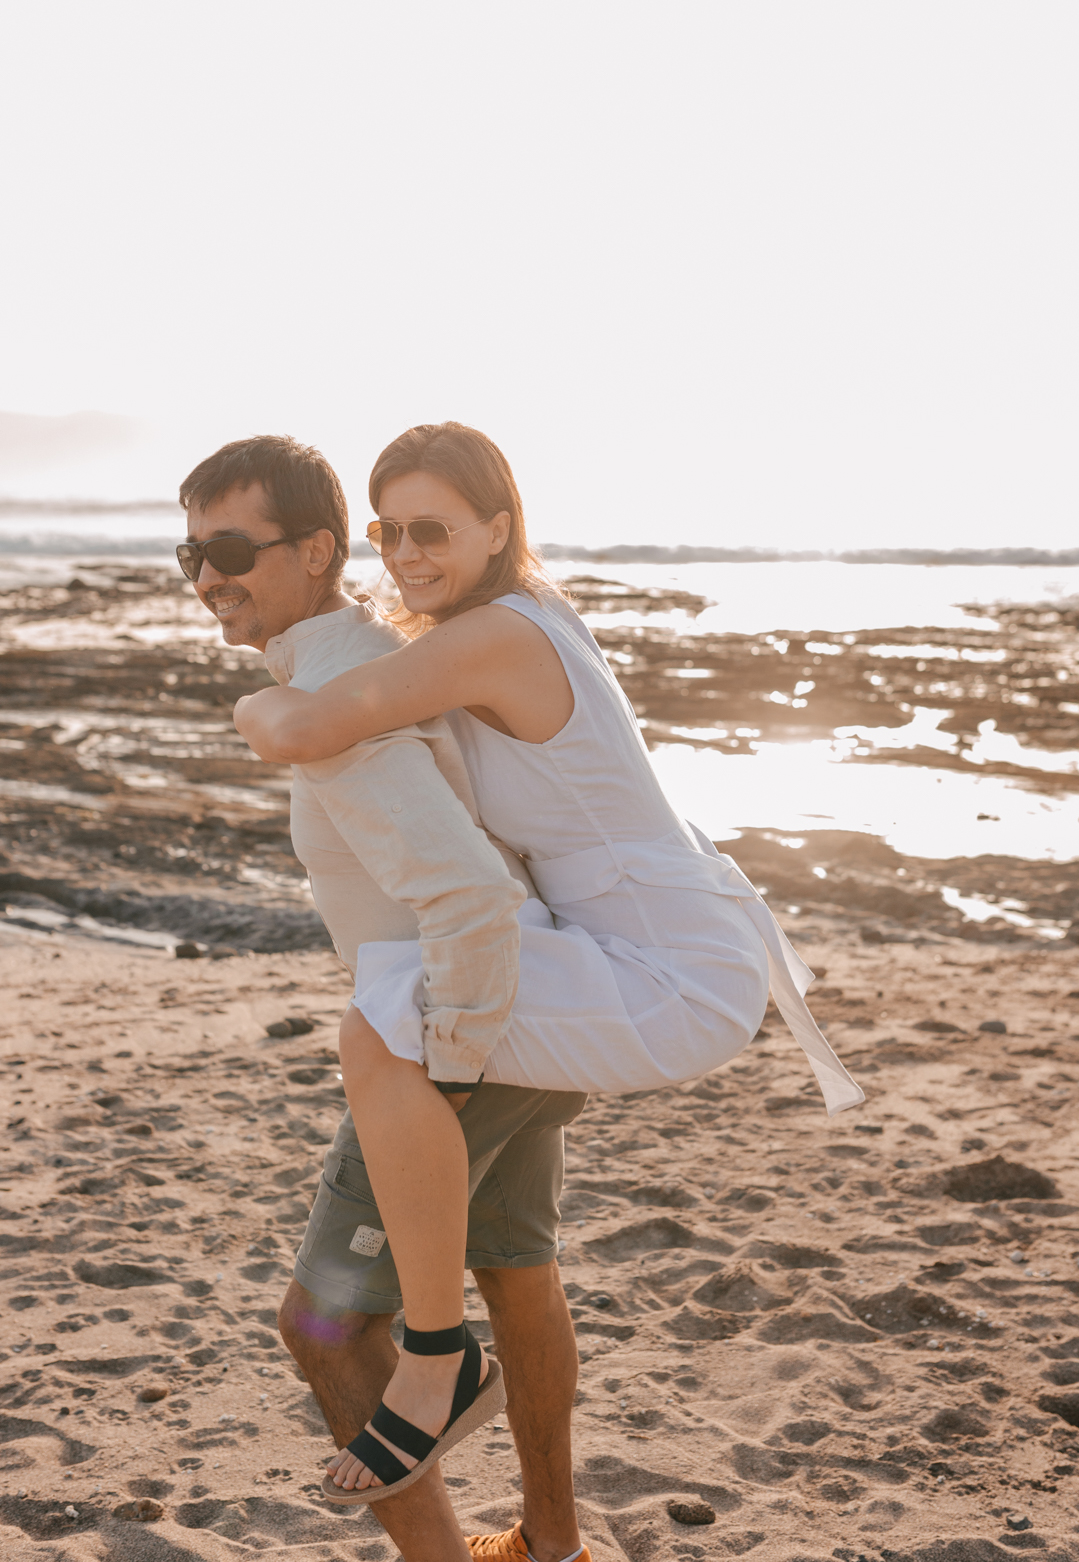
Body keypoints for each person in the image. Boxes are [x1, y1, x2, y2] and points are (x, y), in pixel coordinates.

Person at [234, 421, 863, 1509]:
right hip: (629, 939)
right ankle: (549, 1532)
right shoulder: (507, 615)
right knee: (510, 1246)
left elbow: (313, 725)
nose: (408, 554)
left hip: (662, 970)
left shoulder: (492, 636)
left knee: (379, 1029)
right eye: (389, 532)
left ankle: (436, 1357)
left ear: (498, 527)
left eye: (433, 530)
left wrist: (254, 700)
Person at [179, 434, 591, 1562]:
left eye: (231, 550)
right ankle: (552, 1547)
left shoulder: (339, 696)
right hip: (521, 1010)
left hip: (451, 1030)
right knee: (515, 1271)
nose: (208, 576)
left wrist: (442, 1076)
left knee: (322, 1327)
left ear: (317, 550)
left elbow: (464, 894)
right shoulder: (368, 653)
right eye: (191, 554)